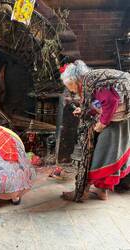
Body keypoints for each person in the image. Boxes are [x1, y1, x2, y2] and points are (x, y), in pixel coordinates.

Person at [60, 60, 130, 201]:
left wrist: (102, 123)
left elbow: (111, 101)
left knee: (98, 157)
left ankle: (82, 192)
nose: (70, 89)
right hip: (122, 121)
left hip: (115, 124)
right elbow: (100, 103)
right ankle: (101, 191)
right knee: (108, 155)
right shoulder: (91, 80)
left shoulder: (94, 82)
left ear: (75, 81)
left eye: (69, 86)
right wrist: (86, 110)